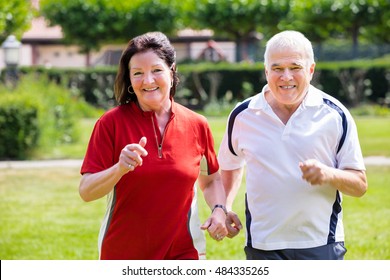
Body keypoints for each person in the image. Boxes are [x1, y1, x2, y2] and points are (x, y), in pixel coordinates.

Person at [218, 30, 368, 260]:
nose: (286, 76)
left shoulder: (335, 114)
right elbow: (229, 164)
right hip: (263, 244)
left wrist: (328, 174)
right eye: (277, 68)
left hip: (321, 242)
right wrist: (225, 206)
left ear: (311, 69)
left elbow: (359, 185)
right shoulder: (243, 115)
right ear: (266, 71)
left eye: (295, 67)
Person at [79, 31, 228, 260]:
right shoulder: (110, 123)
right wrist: (119, 168)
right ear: (129, 79)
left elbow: (211, 179)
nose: (148, 81)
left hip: (184, 254)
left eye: (156, 70)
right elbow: (87, 191)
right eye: (138, 73)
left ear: (172, 70)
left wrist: (219, 210)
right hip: (123, 256)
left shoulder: (197, 124)